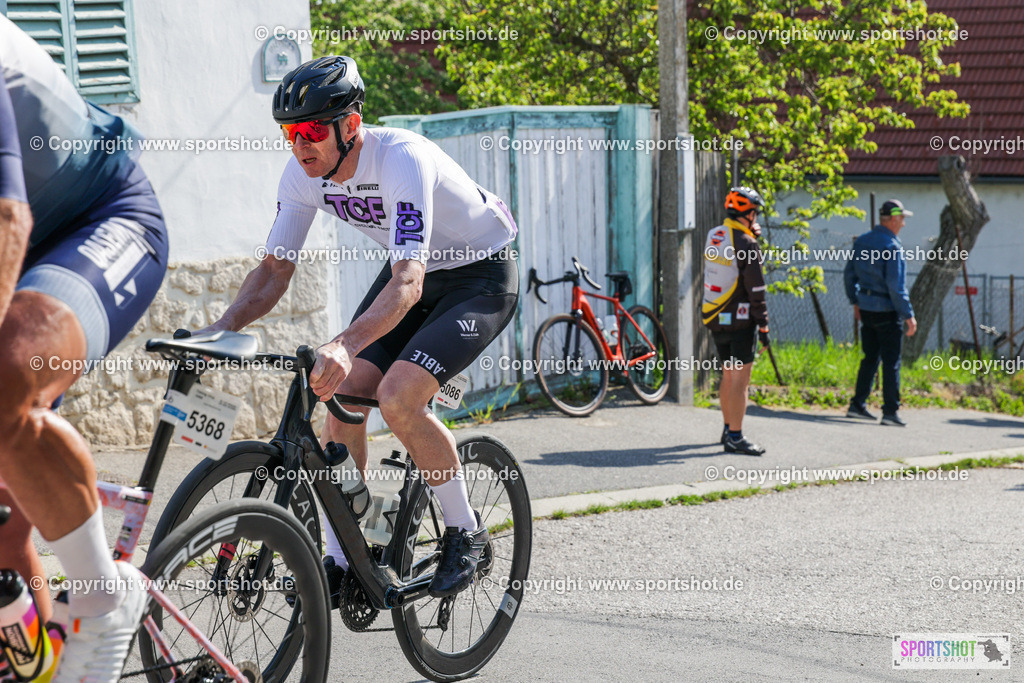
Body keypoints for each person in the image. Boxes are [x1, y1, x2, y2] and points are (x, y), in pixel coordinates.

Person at [198, 56, 519, 601]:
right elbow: (275, 268)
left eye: (311, 131)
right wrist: (223, 327)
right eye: (289, 133)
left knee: (398, 399)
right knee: (341, 398)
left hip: (476, 276)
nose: (300, 145)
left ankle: (466, 532)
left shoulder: (401, 159)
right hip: (412, 274)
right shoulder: (303, 177)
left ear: (350, 125)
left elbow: (409, 283)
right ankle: (347, 553)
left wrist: (345, 343)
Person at [0, 16, 168, 682]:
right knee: (7, 535)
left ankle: (103, 595)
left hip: (100, 220)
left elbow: (10, 219)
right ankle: (41, 667)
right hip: (28, 242)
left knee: (6, 376)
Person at [702, 186, 770, 456]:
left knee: (728, 375)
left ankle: (728, 426)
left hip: (715, 315)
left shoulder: (715, 234)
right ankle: (736, 437)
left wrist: (749, 237)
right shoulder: (746, 243)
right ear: (749, 213)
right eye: (755, 213)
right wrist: (763, 324)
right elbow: (756, 288)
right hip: (741, 320)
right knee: (741, 380)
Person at [844, 199, 917, 426]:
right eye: (902, 218)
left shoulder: (863, 242)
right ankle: (890, 412)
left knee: (870, 358)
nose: (904, 224)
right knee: (891, 361)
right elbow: (896, 287)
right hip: (887, 310)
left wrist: (855, 300)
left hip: (866, 308)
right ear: (893, 219)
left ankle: (857, 405)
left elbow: (849, 275)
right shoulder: (892, 247)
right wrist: (908, 315)